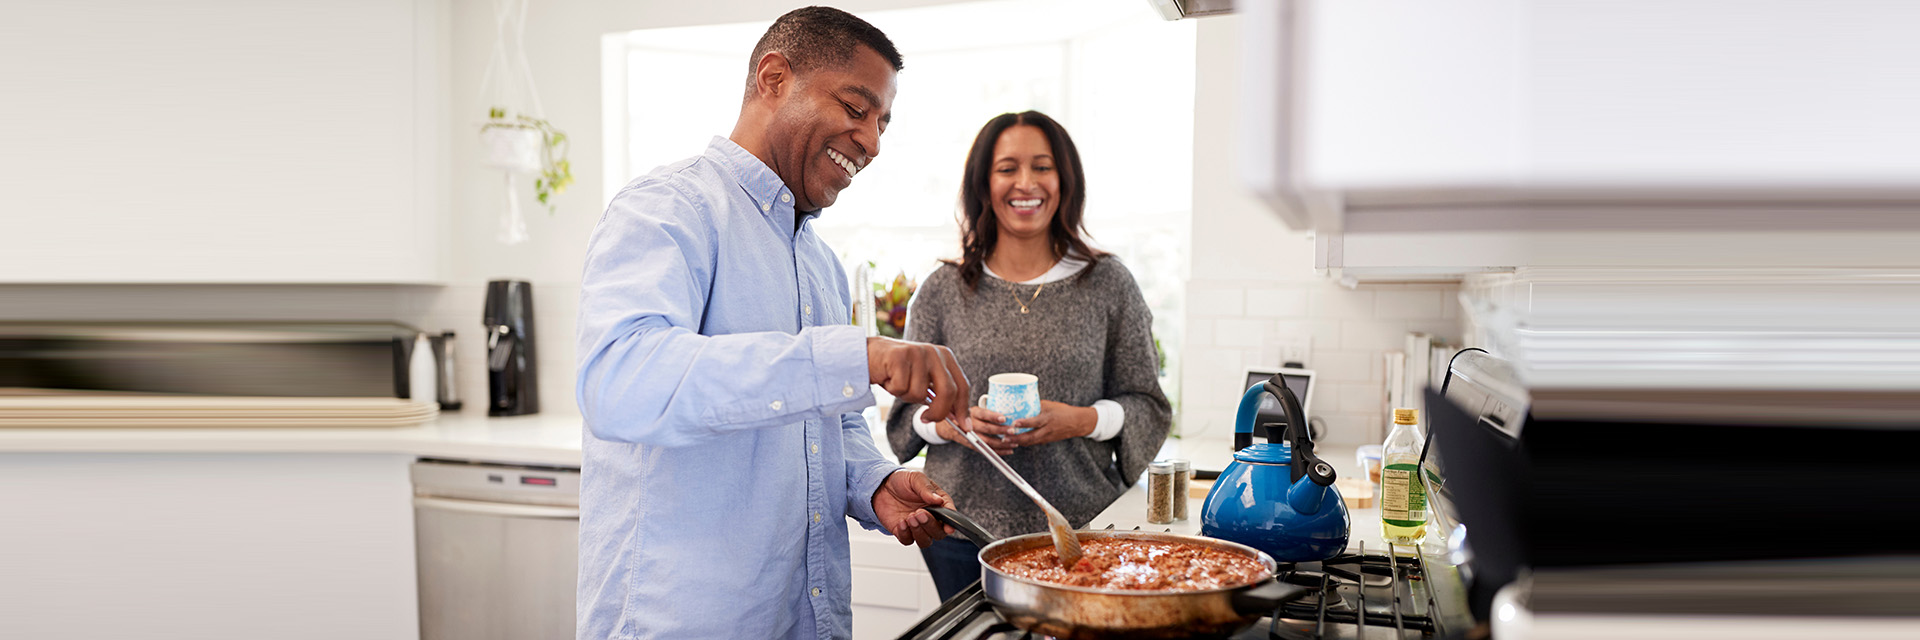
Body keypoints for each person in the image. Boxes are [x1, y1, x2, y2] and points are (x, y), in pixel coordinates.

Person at [574, 8, 973, 639]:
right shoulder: (667, 209)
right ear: (774, 78)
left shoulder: (820, 264)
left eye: (882, 123)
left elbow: (830, 427)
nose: (872, 143)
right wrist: (858, 357)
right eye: (856, 108)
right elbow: (621, 382)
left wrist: (875, 483)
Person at [885, 111, 1172, 600]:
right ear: (983, 183)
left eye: (1042, 166)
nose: (1025, 183)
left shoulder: (1109, 284)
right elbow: (904, 419)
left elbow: (1148, 404)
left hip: (1081, 529)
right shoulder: (941, 291)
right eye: (1007, 168)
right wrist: (956, 425)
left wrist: (1079, 420)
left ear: (1065, 181)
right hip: (961, 531)